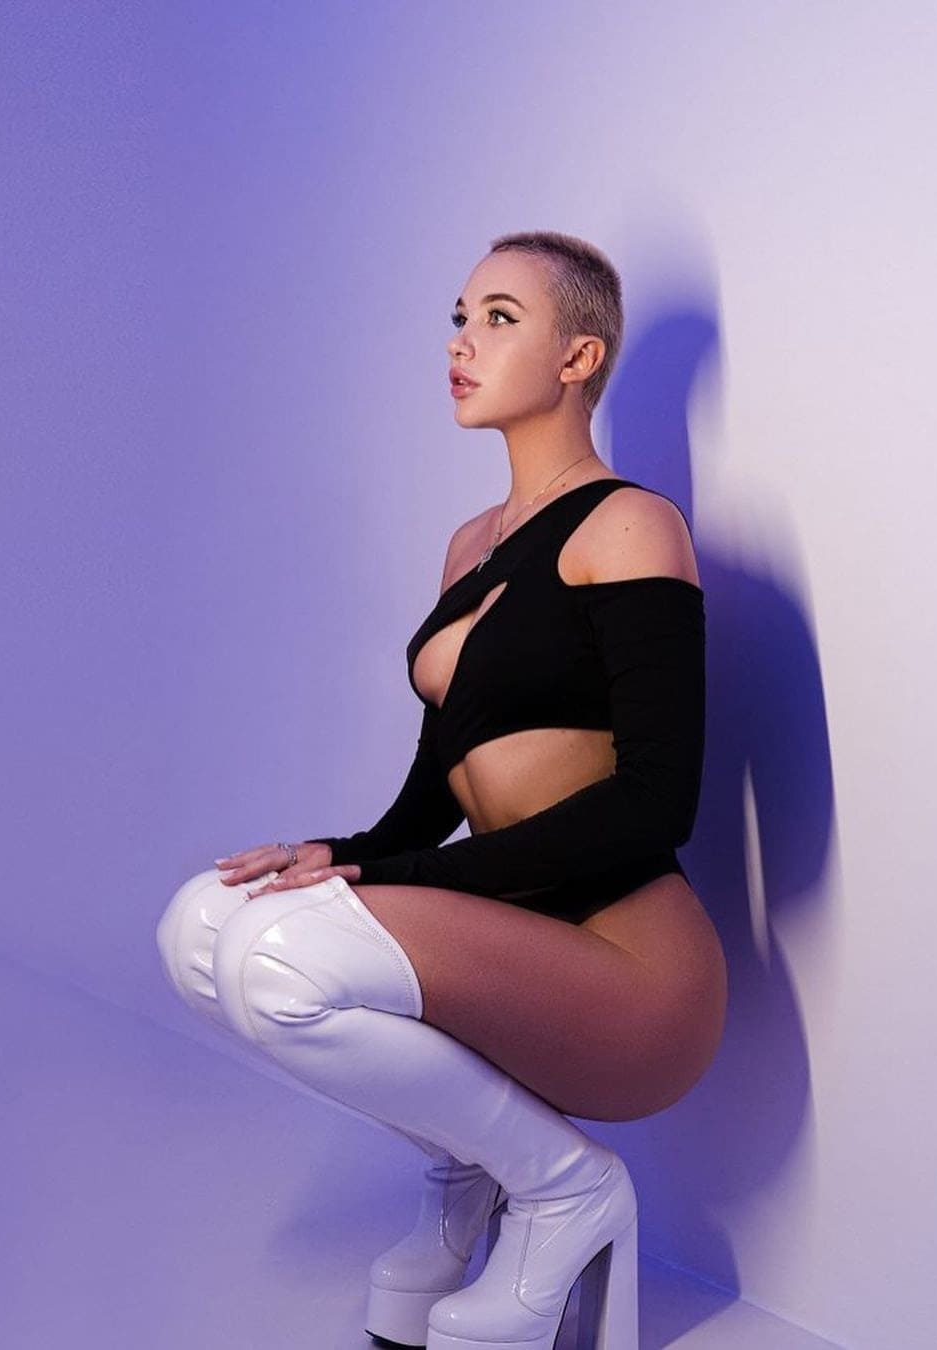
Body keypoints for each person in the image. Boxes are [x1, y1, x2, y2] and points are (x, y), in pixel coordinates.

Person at [156, 230, 727, 1350]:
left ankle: (565, 1191)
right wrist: (341, 856)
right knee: (204, 923)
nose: (463, 343)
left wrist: (396, 881)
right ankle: (470, 1170)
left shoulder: (631, 524)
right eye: (459, 319)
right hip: (515, 930)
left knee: (279, 959)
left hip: (633, 968)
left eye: (501, 319)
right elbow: (437, 791)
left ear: (579, 357)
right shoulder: (470, 547)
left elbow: (659, 803)